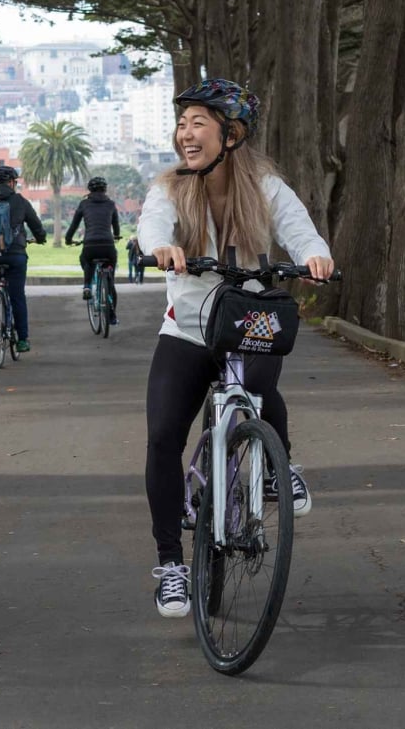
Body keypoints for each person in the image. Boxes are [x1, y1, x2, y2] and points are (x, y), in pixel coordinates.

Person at [135, 78, 334, 618]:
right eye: (182, 124)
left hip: (247, 320)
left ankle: (275, 467)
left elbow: (301, 231)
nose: (186, 134)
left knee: (263, 389)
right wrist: (160, 246)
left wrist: (316, 257)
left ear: (232, 133)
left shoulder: (265, 186)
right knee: (162, 437)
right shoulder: (171, 187)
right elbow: (153, 223)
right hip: (188, 328)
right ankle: (172, 566)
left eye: (199, 123)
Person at [0, 164, 47, 353]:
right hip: (15, 255)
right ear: (12, 182)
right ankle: (22, 340)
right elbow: (36, 226)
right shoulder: (20, 201)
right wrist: (40, 238)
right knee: (17, 296)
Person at [65, 175, 121, 325]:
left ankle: (87, 286)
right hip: (108, 246)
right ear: (105, 189)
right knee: (111, 282)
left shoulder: (84, 204)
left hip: (90, 245)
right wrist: (116, 235)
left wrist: (68, 239)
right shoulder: (110, 204)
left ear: (89, 190)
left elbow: (74, 226)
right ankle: (112, 316)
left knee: (86, 260)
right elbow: (116, 225)